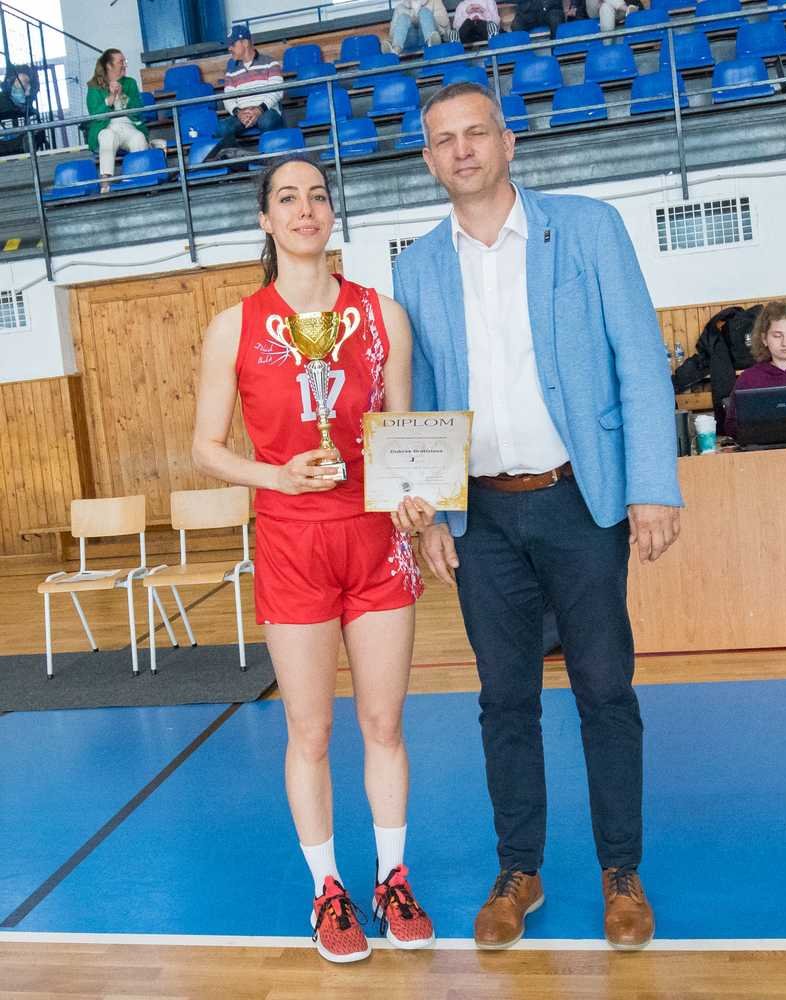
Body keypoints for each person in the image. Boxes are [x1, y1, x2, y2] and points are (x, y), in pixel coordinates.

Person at [392, 82, 682, 951]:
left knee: (605, 689)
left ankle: (622, 871)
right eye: (444, 139)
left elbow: (639, 359)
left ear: (508, 142)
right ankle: (520, 869)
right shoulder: (415, 266)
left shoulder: (588, 228)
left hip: (579, 500)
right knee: (504, 701)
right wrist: (432, 514)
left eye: (476, 132)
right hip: (480, 517)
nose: (462, 150)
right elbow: (422, 396)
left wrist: (653, 484)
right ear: (428, 159)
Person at [192, 154, 435, 964]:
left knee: (384, 722)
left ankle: (392, 879)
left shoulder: (382, 315)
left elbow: (404, 436)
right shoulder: (234, 326)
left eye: (318, 196)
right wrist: (278, 475)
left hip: (375, 541)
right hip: (292, 542)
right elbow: (204, 449)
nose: (306, 209)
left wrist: (413, 498)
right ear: (266, 219)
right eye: (288, 198)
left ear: (333, 213)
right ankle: (327, 889)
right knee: (311, 728)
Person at [724, 301, 786, 440]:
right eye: (777, 336)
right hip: (765, 451)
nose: (785, 343)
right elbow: (731, 426)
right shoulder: (748, 379)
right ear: (764, 339)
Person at [86, 49, 149, 192]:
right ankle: (105, 183)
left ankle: (136, 181)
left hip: (128, 126)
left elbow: (138, 111)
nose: (125, 65)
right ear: (109, 65)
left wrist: (122, 95)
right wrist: (109, 100)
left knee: (139, 138)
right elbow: (94, 115)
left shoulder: (130, 83)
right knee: (107, 136)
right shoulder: (94, 86)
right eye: (121, 62)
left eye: (125, 61)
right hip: (106, 127)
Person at [218, 24, 284, 146]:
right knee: (222, 128)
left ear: (245, 43)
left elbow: (277, 91)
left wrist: (259, 110)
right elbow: (228, 98)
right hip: (242, 114)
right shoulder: (231, 71)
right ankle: (239, 158)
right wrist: (239, 113)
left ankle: (268, 154)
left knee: (267, 121)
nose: (229, 48)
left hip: (266, 111)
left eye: (232, 44)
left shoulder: (270, 62)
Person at [385, 0, 451, 55]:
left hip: (430, 36)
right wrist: (411, 20)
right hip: (409, 43)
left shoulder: (435, 1)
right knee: (403, 17)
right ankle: (395, 50)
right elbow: (392, 35)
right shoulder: (400, 8)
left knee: (424, 12)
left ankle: (431, 43)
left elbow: (444, 24)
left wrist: (423, 17)